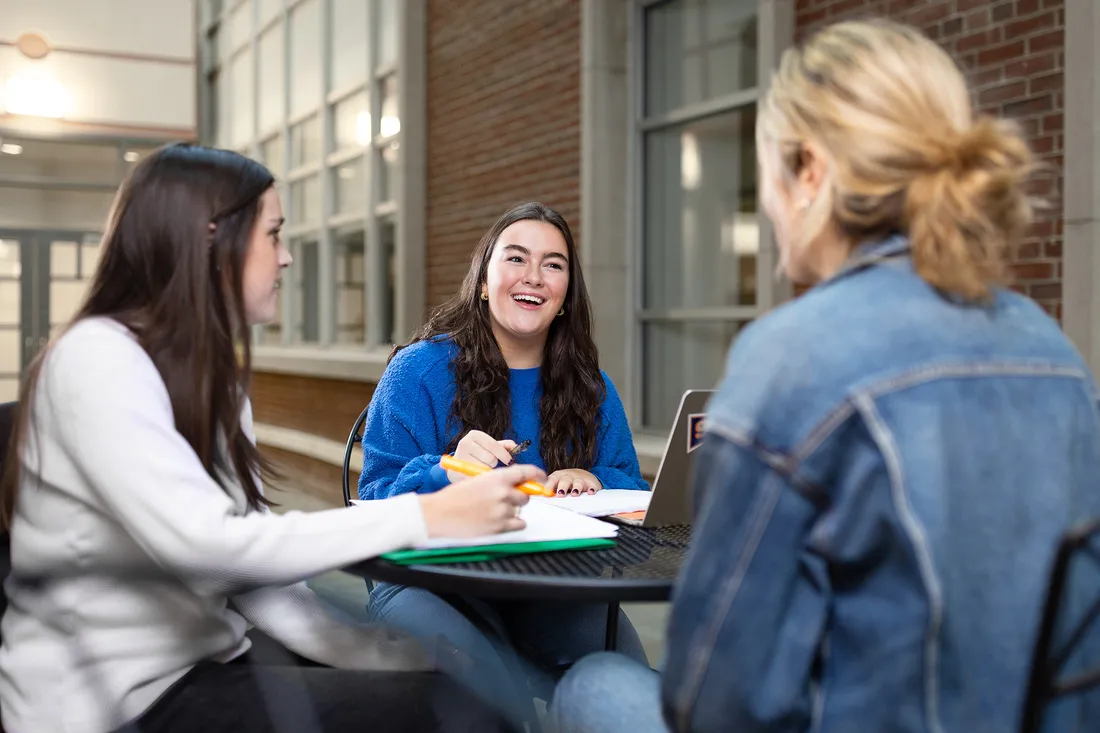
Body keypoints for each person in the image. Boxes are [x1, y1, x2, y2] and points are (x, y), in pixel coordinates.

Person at [548, 19, 1100, 733]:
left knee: (588, 683)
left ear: (810, 171)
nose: (769, 209)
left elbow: (717, 696)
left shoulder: (792, 356)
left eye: (767, 175)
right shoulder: (1052, 348)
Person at [0, 143, 541, 733]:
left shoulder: (212, 375)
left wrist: (382, 653)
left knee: (449, 689)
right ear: (211, 238)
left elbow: (253, 576)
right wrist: (427, 516)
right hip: (107, 705)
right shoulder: (97, 358)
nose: (285, 258)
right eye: (274, 234)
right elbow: (212, 549)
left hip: (201, 662)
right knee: (457, 714)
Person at [356, 202, 650, 710]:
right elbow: (374, 501)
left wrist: (593, 479)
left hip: (553, 585)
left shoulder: (591, 388)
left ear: (564, 297)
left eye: (553, 264)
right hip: (432, 583)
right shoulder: (418, 370)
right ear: (484, 282)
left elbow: (635, 496)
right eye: (516, 259)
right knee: (497, 707)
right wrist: (445, 471)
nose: (533, 276)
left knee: (630, 689)